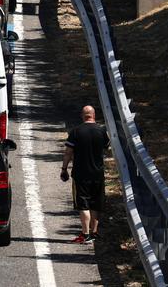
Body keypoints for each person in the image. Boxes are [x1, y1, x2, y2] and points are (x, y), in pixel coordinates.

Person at [60, 104, 109, 244]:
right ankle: (94, 233)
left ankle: (85, 234)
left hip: (81, 174)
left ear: (83, 116)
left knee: (83, 205)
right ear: (94, 115)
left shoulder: (76, 132)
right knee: (95, 204)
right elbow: (106, 148)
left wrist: (64, 169)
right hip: (98, 174)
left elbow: (68, 152)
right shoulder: (102, 132)